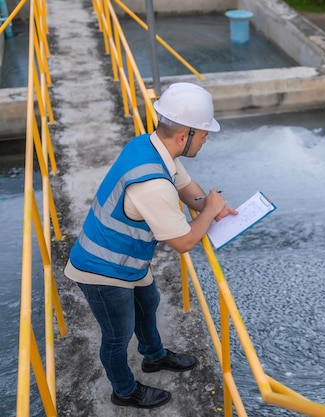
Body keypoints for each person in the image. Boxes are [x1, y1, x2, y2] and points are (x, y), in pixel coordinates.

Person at [64, 82, 237, 409]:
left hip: (128, 259)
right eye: (204, 134)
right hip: (102, 270)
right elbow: (184, 242)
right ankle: (124, 391)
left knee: (148, 303)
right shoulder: (153, 185)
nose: (206, 140)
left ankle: (153, 356)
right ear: (184, 136)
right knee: (117, 336)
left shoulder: (149, 146)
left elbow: (185, 186)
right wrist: (211, 211)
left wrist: (206, 205)